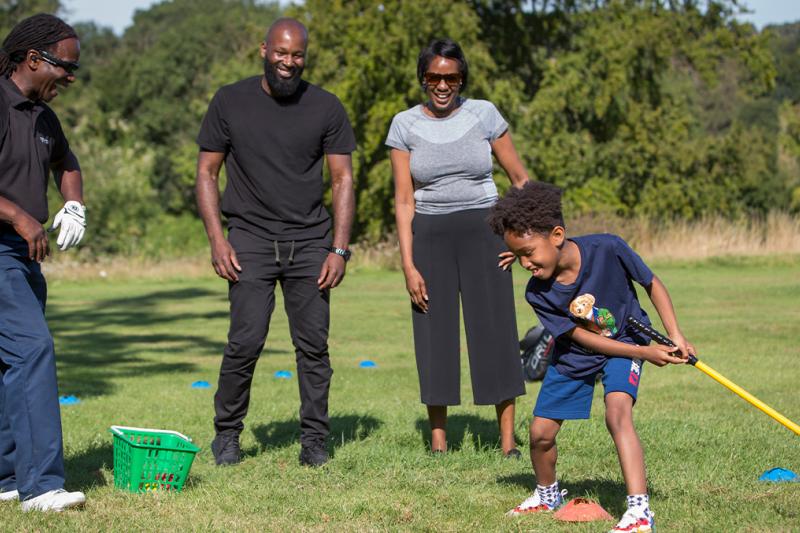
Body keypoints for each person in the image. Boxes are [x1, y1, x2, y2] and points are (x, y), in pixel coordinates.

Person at [488, 182, 694, 532]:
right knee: (540, 434)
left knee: (617, 414)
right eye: (517, 255)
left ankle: (639, 513)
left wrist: (675, 334)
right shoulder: (538, 293)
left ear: (557, 235)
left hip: (627, 338)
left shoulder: (608, 248)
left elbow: (651, 283)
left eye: (528, 253)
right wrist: (645, 352)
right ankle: (547, 495)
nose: (524, 263)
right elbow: (581, 337)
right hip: (577, 355)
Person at [196, 17, 356, 468]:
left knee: (313, 347)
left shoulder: (326, 106)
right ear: (264, 50)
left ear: (305, 56)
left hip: (311, 242)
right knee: (245, 342)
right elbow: (207, 173)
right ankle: (227, 435)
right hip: (249, 239)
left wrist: (339, 248)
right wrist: (217, 240)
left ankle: (314, 441)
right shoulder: (230, 100)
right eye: (281, 52)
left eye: (297, 54)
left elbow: (342, 180)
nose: (289, 62)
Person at [386, 38, 529, 456]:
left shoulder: (484, 114)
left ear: (462, 78)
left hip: (486, 231)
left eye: (451, 77)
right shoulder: (404, 125)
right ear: (423, 78)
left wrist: (523, 241)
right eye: (434, 77)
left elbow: (520, 181)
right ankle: (439, 443)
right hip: (430, 235)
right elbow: (404, 200)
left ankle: (507, 443)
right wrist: (408, 265)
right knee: (434, 334)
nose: (443, 85)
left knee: (496, 331)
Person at [0, 14, 87, 512]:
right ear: (33, 59)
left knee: (9, 362)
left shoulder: (43, 117)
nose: (71, 77)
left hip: (24, 257)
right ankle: (41, 487)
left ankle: (8, 477)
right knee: (33, 349)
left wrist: (73, 203)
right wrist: (18, 216)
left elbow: (66, 162)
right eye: (65, 67)